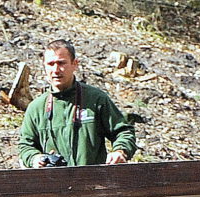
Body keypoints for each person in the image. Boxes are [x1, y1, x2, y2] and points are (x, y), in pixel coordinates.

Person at [18, 38, 137, 168]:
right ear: (44, 66)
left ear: (75, 64)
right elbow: (25, 145)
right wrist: (35, 158)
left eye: (61, 63)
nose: (56, 70)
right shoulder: (36, 108)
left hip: (93, 178)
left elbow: (123, 131)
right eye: (51, 64)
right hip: (52, 180)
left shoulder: (95, 99)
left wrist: (120, 151)